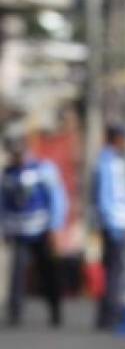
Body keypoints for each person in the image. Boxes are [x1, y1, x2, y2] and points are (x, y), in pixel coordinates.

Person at [1, 129, 67, 327]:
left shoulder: (42, 169)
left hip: (41, 230)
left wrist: (55, 226)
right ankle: (15, 312)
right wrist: (4, 227)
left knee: (47, 271)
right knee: (17, 272)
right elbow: (4, 203)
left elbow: (57, 198)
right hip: (19, 230)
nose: (16, 156)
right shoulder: (8, 173)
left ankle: (55, 309)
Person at [94, 125, 125, 330]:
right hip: (115, 223)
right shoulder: (107, 163)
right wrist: (111, 223)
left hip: (121, 221)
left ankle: (110, 312)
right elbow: (104, 197)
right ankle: (110, 314)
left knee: (115, 270)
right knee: (114, 271)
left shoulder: (117, 161)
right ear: (116, 139)